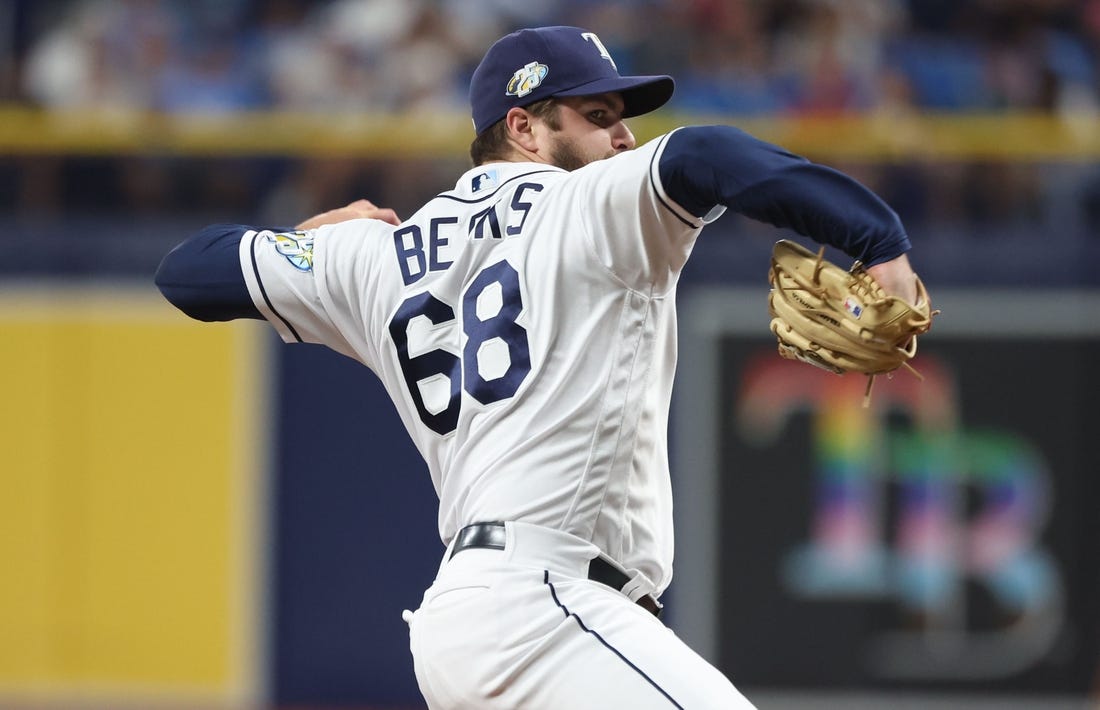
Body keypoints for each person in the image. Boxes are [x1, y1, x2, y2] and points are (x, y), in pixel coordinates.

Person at [156, 25, 925, 709]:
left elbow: (188, 273)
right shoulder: (586, 205)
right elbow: (704, 153)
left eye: (623, 121)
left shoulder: (377, 256)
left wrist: (311, 234)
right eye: (598, 118)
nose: (623, 140)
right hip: (546, 609)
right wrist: (878, 241)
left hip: (467, 623)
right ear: (523, 127)